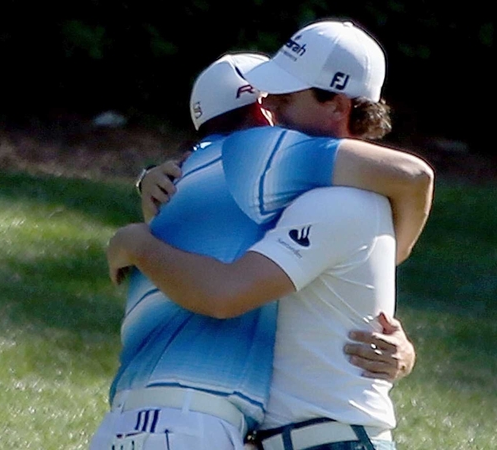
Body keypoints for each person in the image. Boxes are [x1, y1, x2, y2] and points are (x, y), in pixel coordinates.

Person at [106, 20, 434, 450]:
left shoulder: (344, 203)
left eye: (285, 96)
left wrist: (135, 243)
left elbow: (224, 293)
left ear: (337, 106)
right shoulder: (307, 192)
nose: (270, 108)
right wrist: (152, 179)